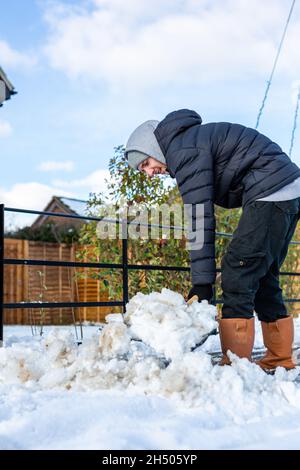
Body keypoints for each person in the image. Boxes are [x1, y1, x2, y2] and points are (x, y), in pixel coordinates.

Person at [125, 109, 300, 370]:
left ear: (153, 149)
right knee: (261, 274)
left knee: (238, 268)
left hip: (272, 190)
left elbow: (200, 220)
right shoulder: (188, 143)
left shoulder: (183, 151)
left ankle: (236, 364)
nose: (149, 173)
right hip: (285, 189)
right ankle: (279, 358)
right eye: (143, 170)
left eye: (146, 164)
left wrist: (202, 284)